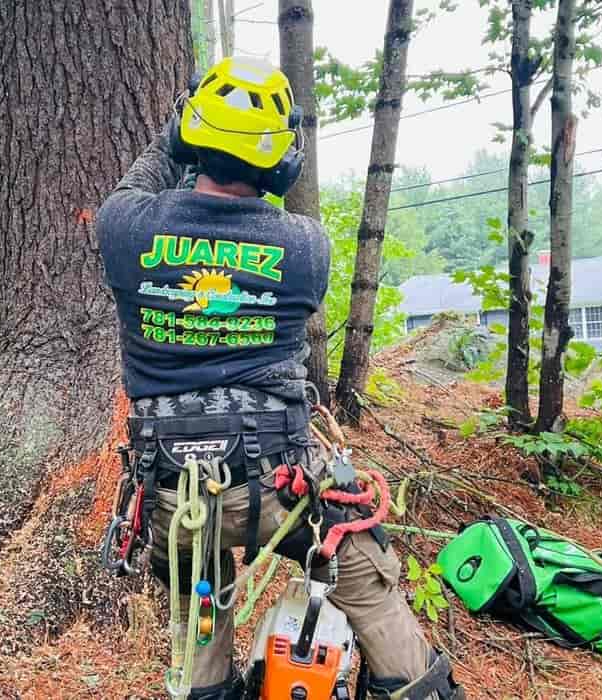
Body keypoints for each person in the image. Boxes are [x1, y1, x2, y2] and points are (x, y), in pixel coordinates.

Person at [96, 56, 465, 700]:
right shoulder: (304, 246)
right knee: (365, 576)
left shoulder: (125, 227)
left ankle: (205, 687)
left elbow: (151, 170)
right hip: (279, 488)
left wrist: (185, 121)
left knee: (197, 601)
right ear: (282, 162)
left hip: (172, 492)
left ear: (190, 136)